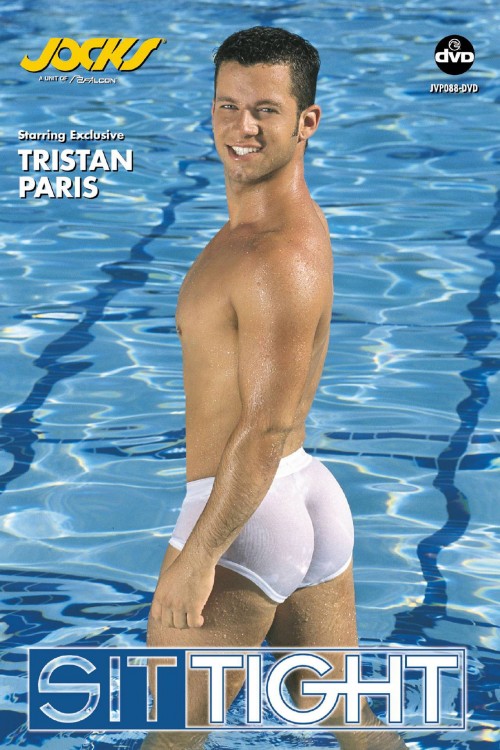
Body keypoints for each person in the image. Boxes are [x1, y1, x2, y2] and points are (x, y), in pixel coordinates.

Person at [143, 26, 407, 750]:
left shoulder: (274, 255)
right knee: (340, 715)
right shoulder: (265, 228)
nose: (243, 128)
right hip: (301, 492)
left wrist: (198, 559)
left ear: (306, 121)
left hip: (243, 514)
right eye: (228, 106)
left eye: (265, 110)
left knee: (169, 738)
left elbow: (263, 428)